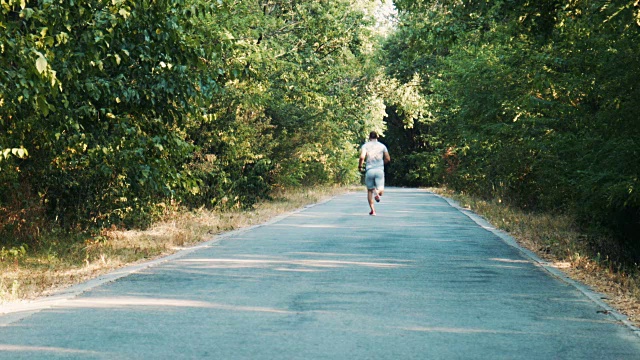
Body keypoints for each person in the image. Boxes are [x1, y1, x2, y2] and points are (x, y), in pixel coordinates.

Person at [358, 131, 390, 216]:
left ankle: (373, 210)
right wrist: (382, 163)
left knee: (369, 191)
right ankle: (377, 192)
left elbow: (362, 157)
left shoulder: (365, 146)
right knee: (381, 191)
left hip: (369, 170)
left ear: (369, 137)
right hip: (379, 170)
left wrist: (360, 166)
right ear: (377, 137)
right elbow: (388, 158)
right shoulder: (382, 146)